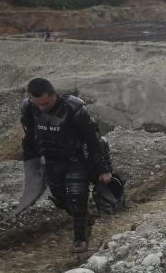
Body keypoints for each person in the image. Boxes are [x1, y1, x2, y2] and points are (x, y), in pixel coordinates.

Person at [21, 78, 112, 253]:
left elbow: (93, 140)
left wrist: (103, 169)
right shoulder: (29, 108)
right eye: (37, 103)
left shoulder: (74, 109)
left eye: (45, 103)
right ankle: (85, 217)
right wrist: (32, 165)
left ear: (54, 94)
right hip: (51, 161)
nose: (41, 107)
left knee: (77, 199)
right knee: (60, 200)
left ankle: (80, 239)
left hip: (75, 160)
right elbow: (30, 137)